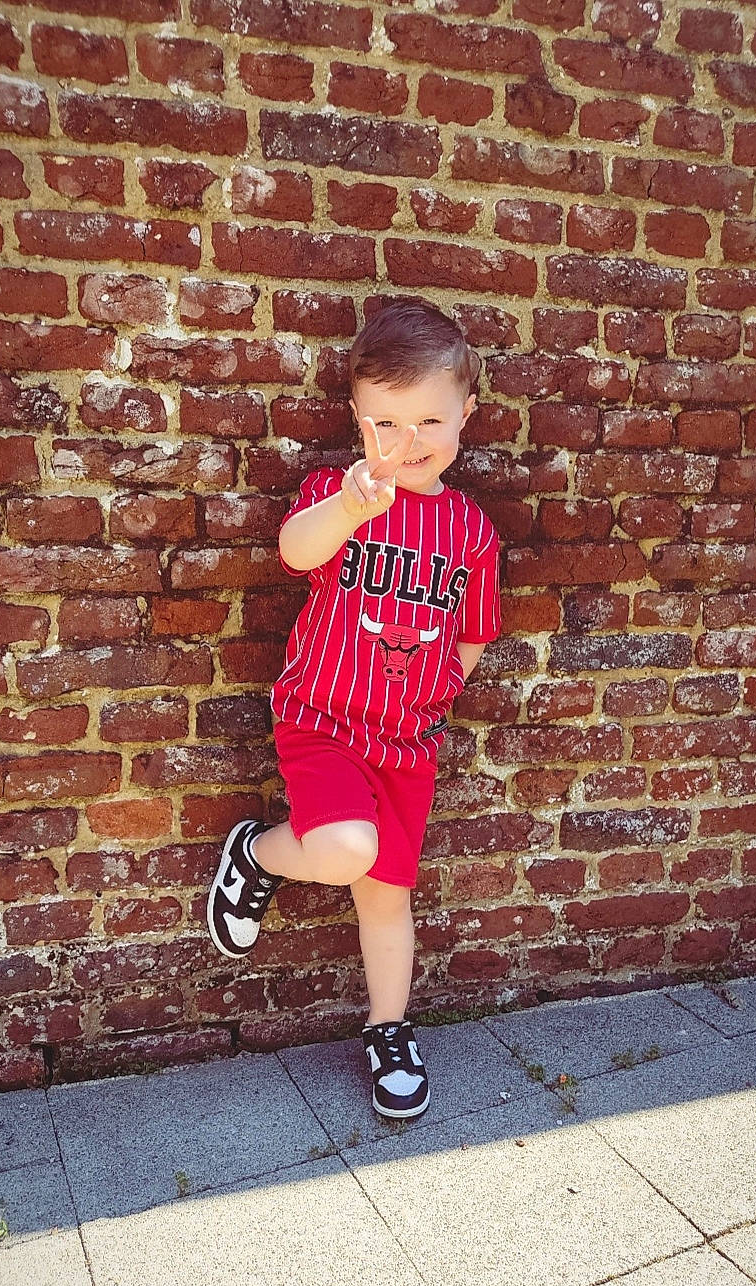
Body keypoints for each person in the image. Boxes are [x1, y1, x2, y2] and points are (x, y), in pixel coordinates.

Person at [205, 298, 501, 1119]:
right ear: (357, 419)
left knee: (385, 893)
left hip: (408, 738)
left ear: (465, 413)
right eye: (386, 424)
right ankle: (260, 857)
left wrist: (440, 690)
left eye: (428, 421)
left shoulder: (471, 532)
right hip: (324, 721)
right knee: (341, 847)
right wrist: (346, 507)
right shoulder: (341, 496)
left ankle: (388, 1028)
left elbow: (472, 631)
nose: (407, 444)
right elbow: (292, 550)